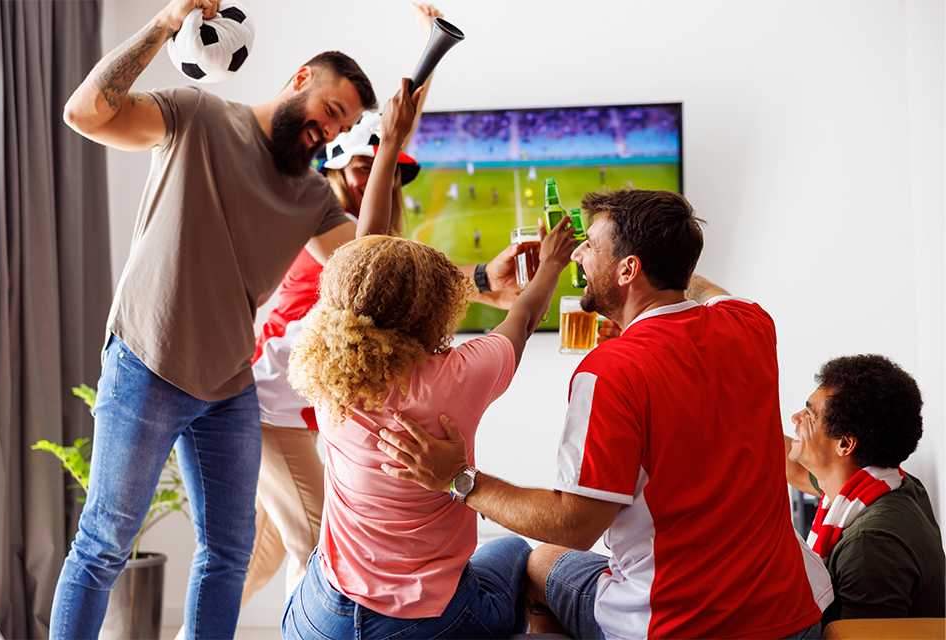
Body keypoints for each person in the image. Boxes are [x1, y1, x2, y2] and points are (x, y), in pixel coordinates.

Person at [49, 0, 390, 635]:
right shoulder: (199, 117)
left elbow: (372, 268)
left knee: (228, 556)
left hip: (229, 387)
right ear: (300, 80)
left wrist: (392, 144)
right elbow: (83, 113)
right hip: (146, 364)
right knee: (102, 546)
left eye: (344, 128)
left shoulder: (312, 196)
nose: (332, 133)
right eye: (331, 112)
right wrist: (159, 27)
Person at [377, 189, 834, 639]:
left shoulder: (611, 371)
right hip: (791, 616)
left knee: (538, 561)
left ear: (628, 269)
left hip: (678, 625)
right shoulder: (751, 323)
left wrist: (459, 478)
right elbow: (706, 290)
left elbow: (575, 525)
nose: (578, 254)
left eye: (590, 245)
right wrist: (660, 270)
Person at [279, 195, 577, 636]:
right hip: (423, 625)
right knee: (514, 551)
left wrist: (391, 142)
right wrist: (551, 263)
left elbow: (364, 248)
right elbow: (525, 316)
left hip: (319, 619)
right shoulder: (458, 376)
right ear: (436, 308)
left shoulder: (327, 369)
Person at [785, 355, 945, 626]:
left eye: (809, 414)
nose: (795, 418)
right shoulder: (893, 485)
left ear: (845, 444)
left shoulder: (870, 545)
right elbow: (786, 464)